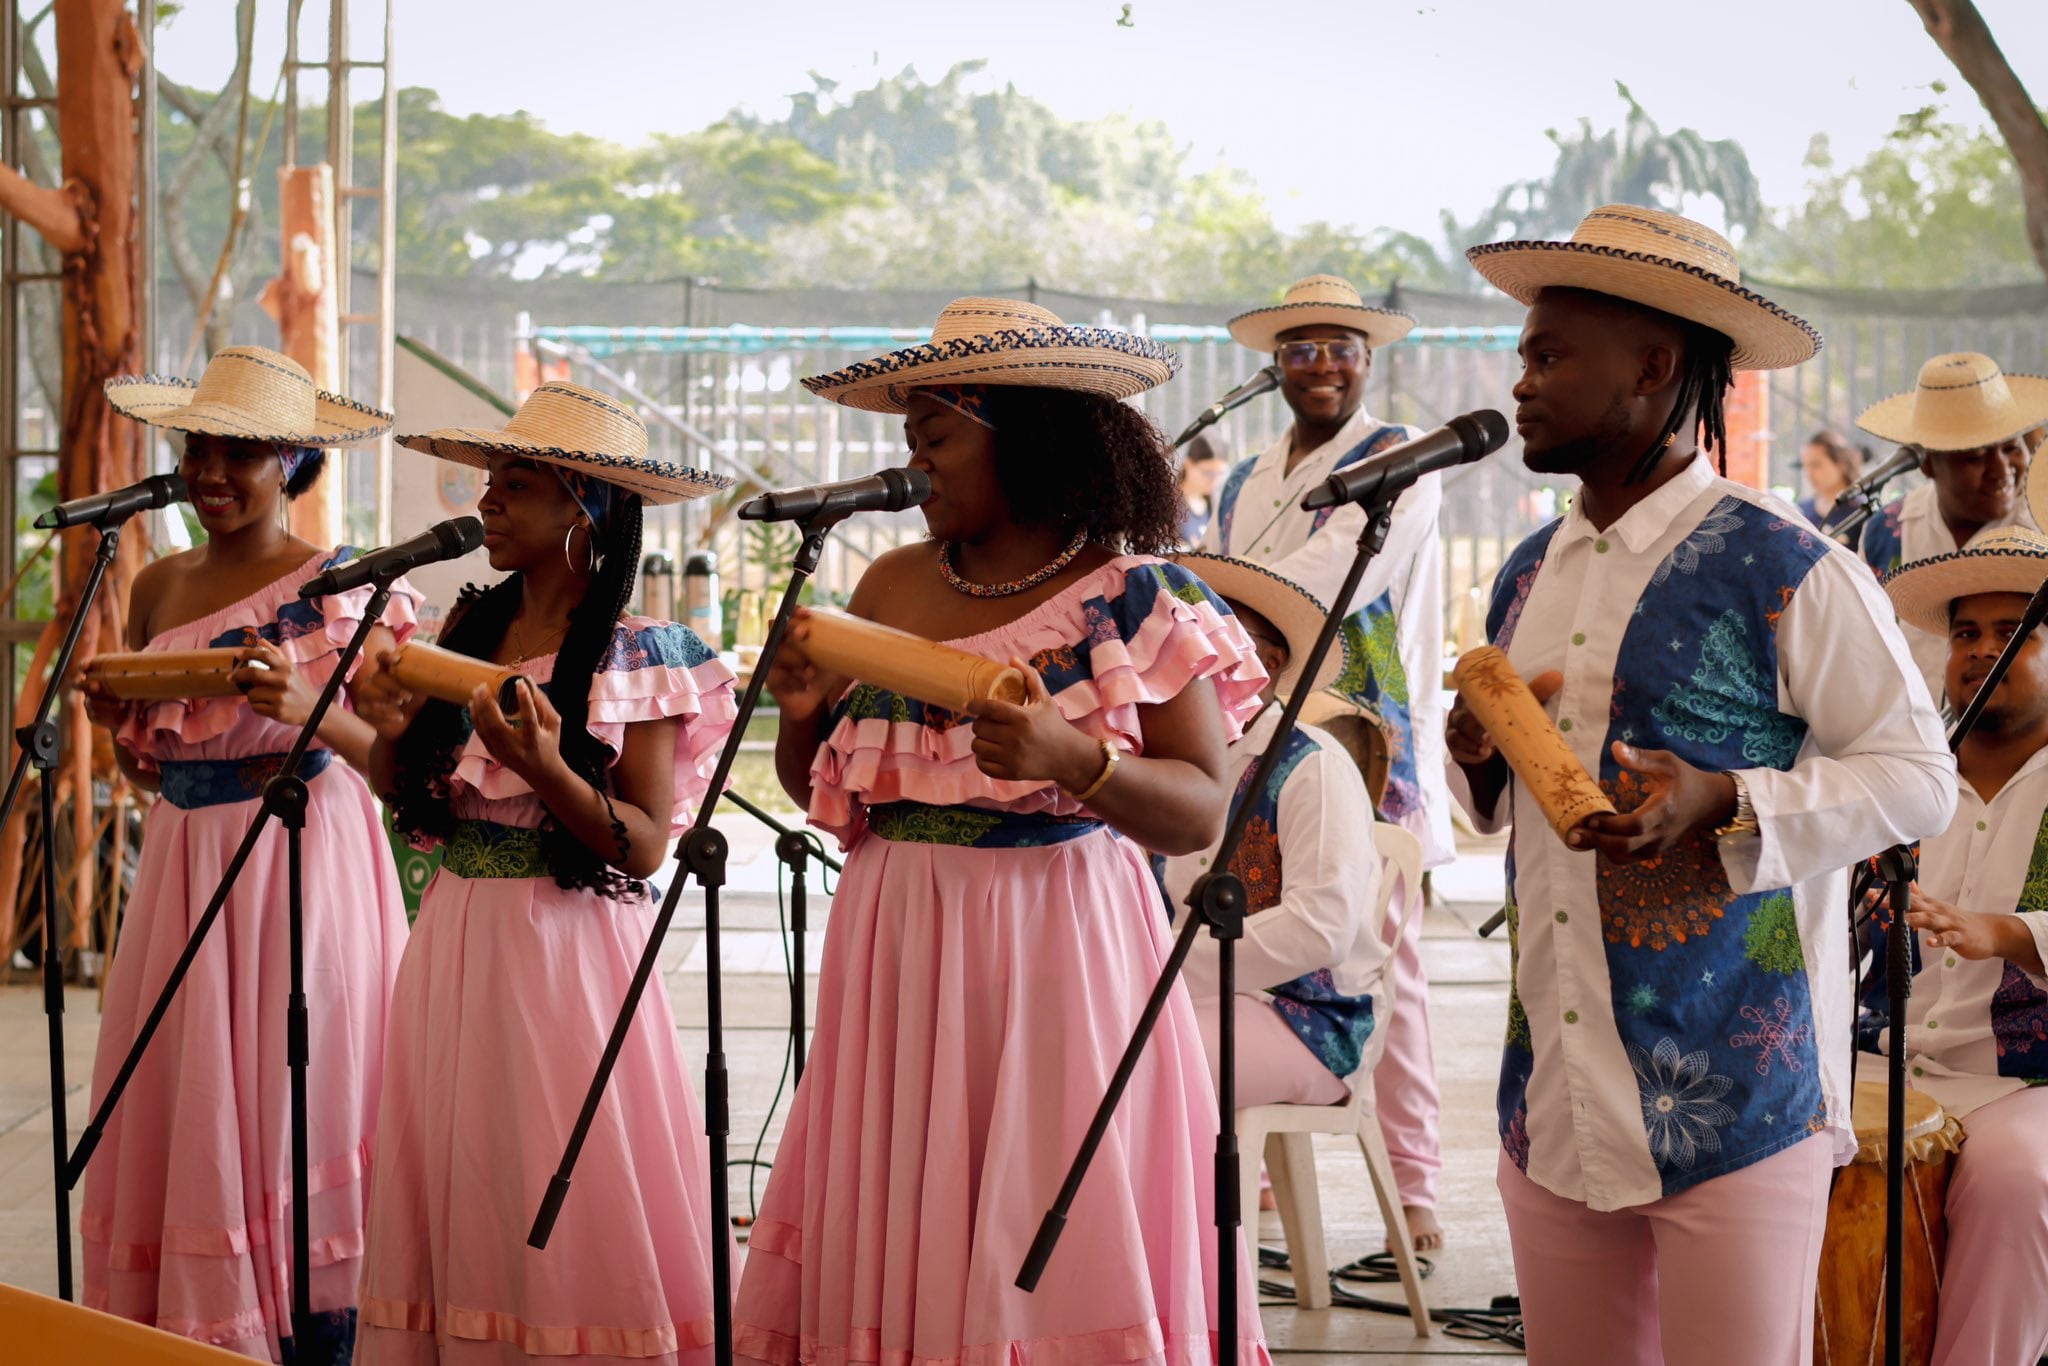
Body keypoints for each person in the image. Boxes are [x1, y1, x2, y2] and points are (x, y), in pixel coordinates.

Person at [1449, 205, 1956, 1364]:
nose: (1516, 382)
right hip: (1556, 1091)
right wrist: (1480, 758)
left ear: (1653, 367)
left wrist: (1727, 798)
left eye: (1546, 355)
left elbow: (1915, 778)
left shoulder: (1786, 566)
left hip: (1737, 1087)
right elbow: (1519, 809)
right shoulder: (1528, 571)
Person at [733, 298, 1271, 1365]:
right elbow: (827, 790)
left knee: (1042, 1191)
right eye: (907, 442)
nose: (913, 463)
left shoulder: (1129, 596)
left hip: (1056, 941)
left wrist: (1078, 760)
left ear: (1023, 436)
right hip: (896, 935)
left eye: (934, 437)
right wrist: (800, 719)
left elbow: (1204, 803)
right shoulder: (884, 588)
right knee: (905, 1187)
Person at [351, 383, 739, 1364]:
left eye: (515, 485)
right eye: (492, 481)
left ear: (585, 508)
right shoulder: (461, 629)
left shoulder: (641, 651)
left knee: (557, 1166)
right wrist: (387, 735)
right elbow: (412, 798)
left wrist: (547, 770)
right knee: (461, 1160)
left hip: (565, 948)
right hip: (454, 935)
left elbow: (644, 842)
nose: (488, 503)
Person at [78, 346, 418, 1361]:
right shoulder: (155, 585)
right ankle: (197, 1319)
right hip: (185, 855)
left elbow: (395, 755)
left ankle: (313, 1313)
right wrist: (110, 723)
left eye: (242, 454)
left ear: (292, 463)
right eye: (198, 449)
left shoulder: (341, 584)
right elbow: (155, 773)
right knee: (191, 1084)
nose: (213, 474)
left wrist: (300, 709)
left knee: (291, 1080)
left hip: (301, 853)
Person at [1202, 272, 1451, 1251]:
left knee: (1385, 962)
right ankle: (1257, 1168)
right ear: (1274, 364)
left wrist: (1199, 588)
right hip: (1257, 739)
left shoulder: (1400, 460)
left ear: (1368, 358)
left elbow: (1327, 578)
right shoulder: (1239, 479)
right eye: (1300, 349)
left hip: (1364, 739)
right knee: (1249, 929)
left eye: (1340, 346)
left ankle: (1417, 1187)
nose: (1321, 365)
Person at [1868, 527, 2048, 1366]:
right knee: (1780, 1134)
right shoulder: (1907, 777)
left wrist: (2002, 934)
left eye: (2015, 633)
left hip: (2027, 1082)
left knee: (2016, 1177)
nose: (1983, 651)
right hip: (1887, 1060)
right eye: (1967, 633)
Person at [1156, 552, 1386, 1116]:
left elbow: (1320, 928)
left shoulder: (1313, 765)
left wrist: (1165, 971)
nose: (1195, 647)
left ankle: (1180, 1208)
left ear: (1272, 659)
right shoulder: (1175, 760)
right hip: (1196, 994)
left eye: (1219, 629)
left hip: (1313, 1016)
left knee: (1144, 1068)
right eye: (1188, 628)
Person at [1857, 353, 2048, 699]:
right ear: (1927, 464)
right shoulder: (1885, 532)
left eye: (2011, 449)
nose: (2001, 468)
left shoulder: (2043, 523)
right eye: (1975, 457)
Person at [1794, 427, 1864, 528]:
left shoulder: (1862, 511)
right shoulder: (1801, 511)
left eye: (1816, 465)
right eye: (1805, 466)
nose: (1809, 473)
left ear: (1841, 464)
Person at [1177, 433, 1228, 546]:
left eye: (1219, 474)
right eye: (1207, 473)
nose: (1214, 480)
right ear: (1188, 464)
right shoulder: (1169, 505)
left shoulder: (1215, 505)